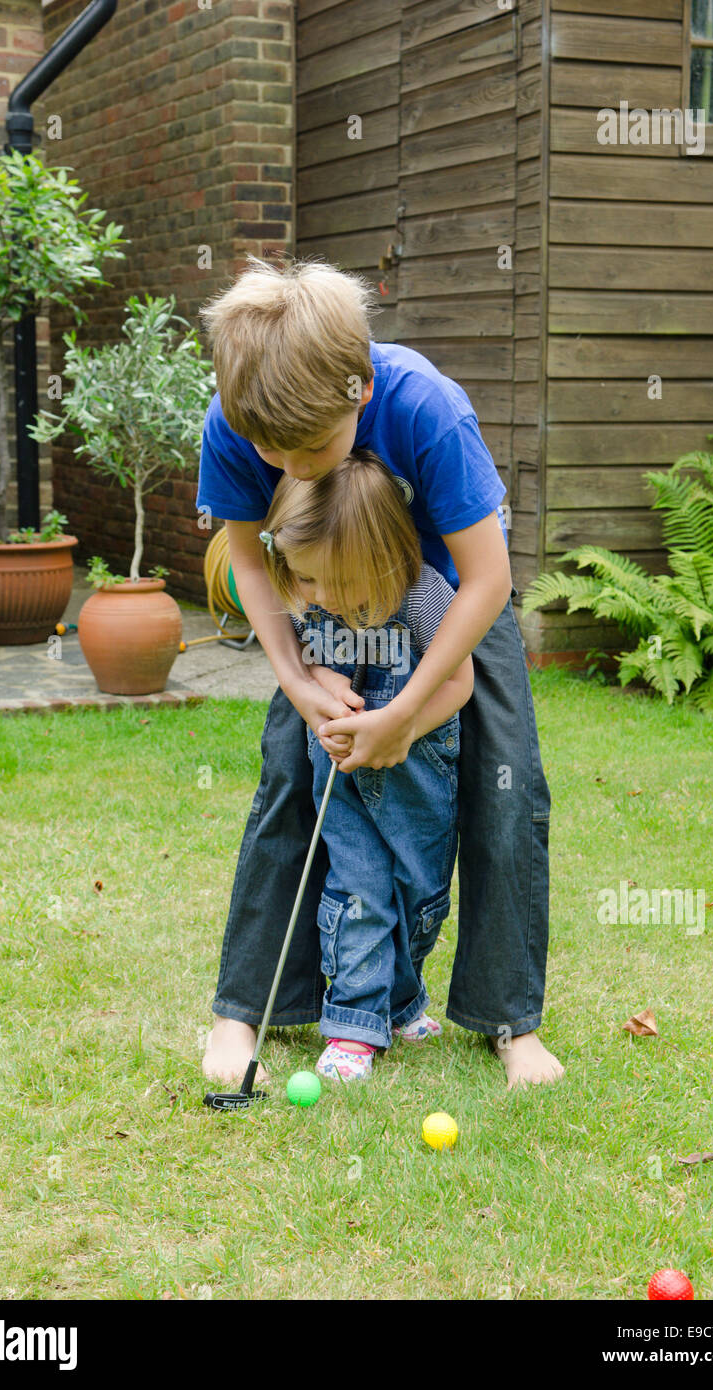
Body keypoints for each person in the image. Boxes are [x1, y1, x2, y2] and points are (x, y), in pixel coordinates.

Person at [196, 254, 564, 1091]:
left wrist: (407, 715)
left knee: (506, 788)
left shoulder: (426, 408)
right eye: (267, 449)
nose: (288, 466)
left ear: (359, 389)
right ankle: (243, 1010)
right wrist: (295, 678)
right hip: (325, 607)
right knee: (289, 780)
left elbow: (488, 580)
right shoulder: (239, 412)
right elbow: (249, 559)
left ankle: (511, 1022)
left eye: (309, 448)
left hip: (447, 599)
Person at [257, 449, 472, 1081]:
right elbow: (307, 652)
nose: (316, 598)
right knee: (360, 892)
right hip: (343, 778)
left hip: (418, 773)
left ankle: (400, 1002)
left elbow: (457, 682)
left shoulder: (423, 596)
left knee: (419, 893)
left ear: (380, 558)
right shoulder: (314, 593)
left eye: (331, 584)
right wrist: (321, 678)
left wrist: (399, 726)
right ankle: (353, 1024)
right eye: (306, 582)